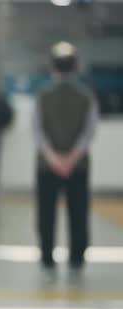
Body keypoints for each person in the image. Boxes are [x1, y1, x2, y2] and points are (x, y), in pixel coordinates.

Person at [33, 42, 98, 272]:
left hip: (46, 165)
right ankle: (77, 259)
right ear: (76, 67)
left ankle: (47, 257)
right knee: (78, 212)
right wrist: (71, 158)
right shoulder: (86, 96)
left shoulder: (43, 95)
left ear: (52, 67)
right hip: (78, 166)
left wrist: (53, 158)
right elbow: (89, 132)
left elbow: (38, 132)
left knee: (46, 212)